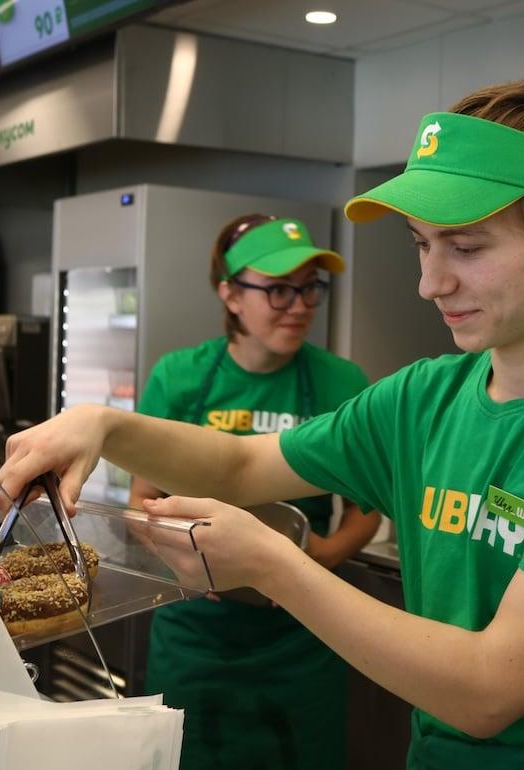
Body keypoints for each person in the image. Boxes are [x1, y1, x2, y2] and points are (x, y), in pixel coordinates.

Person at [0, 80, 524, 769]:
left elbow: (490, 690)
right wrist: (105, 427)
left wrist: (277, 565)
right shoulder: (423, 398)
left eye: (466, 248)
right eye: (422, 246)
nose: (432, 283)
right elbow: (243, 466)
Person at [129, 214, 381, 770]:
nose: (300, 305)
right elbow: (140, 502)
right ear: (230, 293)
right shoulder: (180, 377)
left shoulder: (342, 383)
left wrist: (322, 557)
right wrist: (180, 555)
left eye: (311, 287)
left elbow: (366, 511)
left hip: (304, 634)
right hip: (195, 630)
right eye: (279, 289)